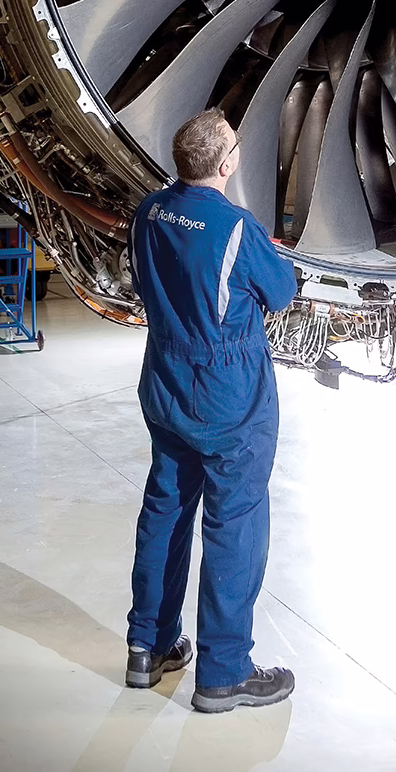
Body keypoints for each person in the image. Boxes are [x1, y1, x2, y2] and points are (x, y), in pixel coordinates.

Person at [125, 108, 298, 712]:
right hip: (228, 395)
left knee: (165, 511)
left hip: (165, 382)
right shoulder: (236, 228)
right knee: (235, 523)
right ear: (226, 164)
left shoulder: (147, 211)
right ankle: (224, 671)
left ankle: (148, 648)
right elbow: (281, 292)